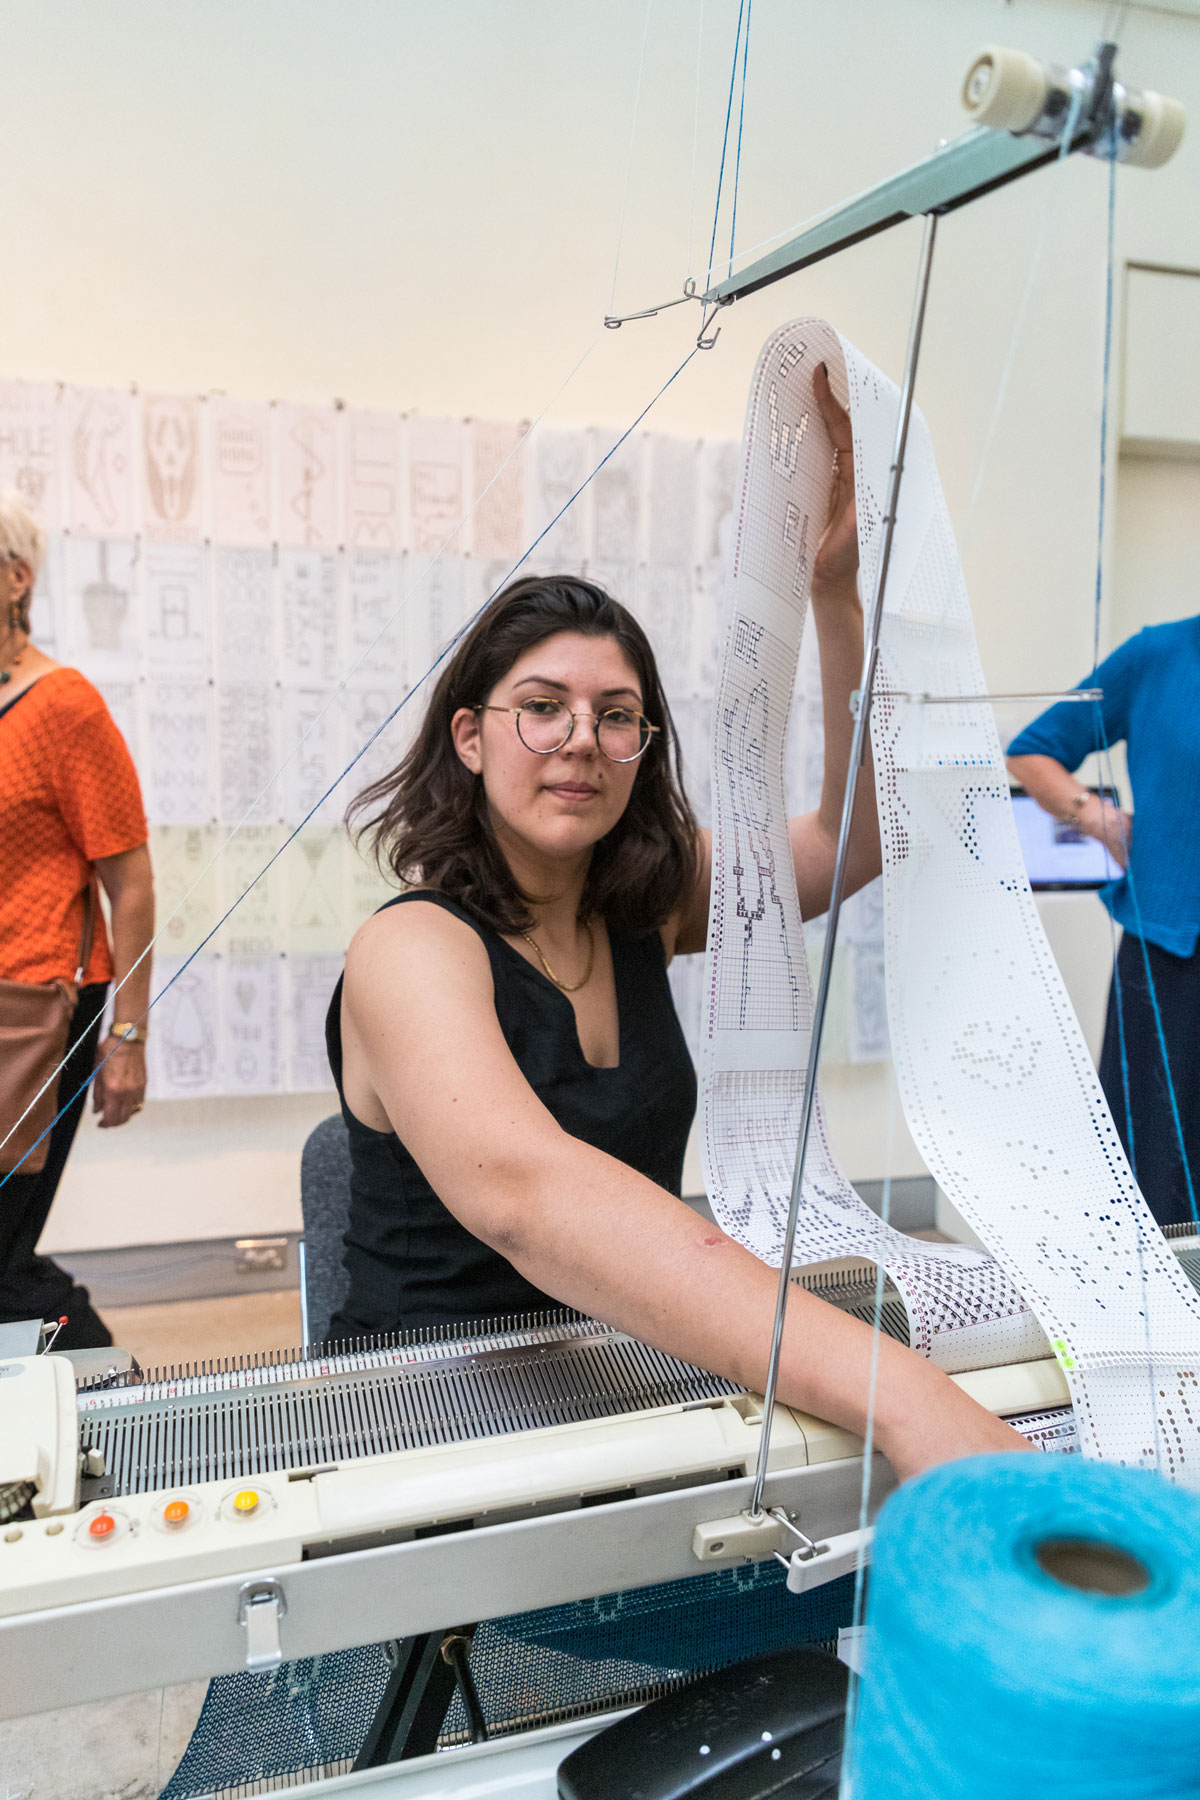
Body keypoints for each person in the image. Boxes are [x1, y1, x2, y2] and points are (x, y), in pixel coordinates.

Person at [328, 372, 1027, 1483]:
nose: (580, 741)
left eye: (617, 718)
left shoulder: (645, 902)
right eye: (542, 707)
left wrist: (835, 595)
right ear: (469, 736)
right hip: (430, 1435)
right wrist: (900, 1394)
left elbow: (857, 836)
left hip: (613, 1376)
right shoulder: (412, 950)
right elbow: (529, 1194)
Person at [0, 491, 155, 1348]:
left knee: (4, 1258)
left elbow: (131, 883)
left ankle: (111, 1393)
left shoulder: (64, 706)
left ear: (16, 578)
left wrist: (126, 1039)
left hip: (38, 1014)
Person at [1007, 616, 1200, 1229]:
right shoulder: (1160, 655)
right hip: (1171, 955)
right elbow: (1033, 749)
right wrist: (1098, 818)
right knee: (1156, 1176)